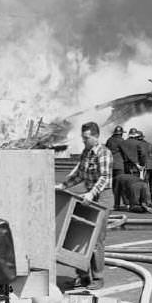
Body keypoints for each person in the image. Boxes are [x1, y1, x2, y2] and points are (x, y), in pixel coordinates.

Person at [57, 121, 111, 290]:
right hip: (90, 195)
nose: (84, 141)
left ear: (96, 136)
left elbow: (104, 177)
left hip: (102, 197)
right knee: (82, 236)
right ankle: (83, 276)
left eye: (86, 138)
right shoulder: (86, 152)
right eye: (83, 137)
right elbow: (80, 175)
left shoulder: (104, 152)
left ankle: (98, 278)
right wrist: (63, 186)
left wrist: (91, 194)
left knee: (96, 240)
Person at [136, 130, 152, 213]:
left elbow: (141, 156)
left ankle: (147, 203)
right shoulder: (150, 144)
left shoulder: (138, 145)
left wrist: (140, 164)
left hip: (146, 167)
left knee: (145, 185)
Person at [104, 125, 127, 210]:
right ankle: (126, 203)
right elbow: (125, 153)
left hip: (110, 165)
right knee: (122, 184)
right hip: (119, 165)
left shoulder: (109, 140)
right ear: (121, 133)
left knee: (114, 186)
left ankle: (116, 204)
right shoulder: (122, 141)